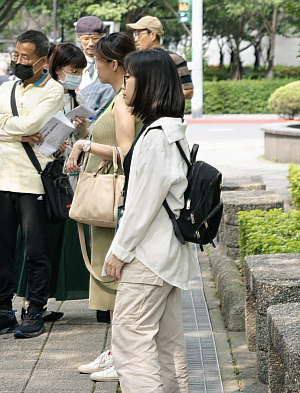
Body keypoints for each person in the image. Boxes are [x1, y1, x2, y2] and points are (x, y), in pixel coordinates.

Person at [103, 48, 199, 393]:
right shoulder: (171, 130)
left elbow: (141, 205)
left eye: (127, 77)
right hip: (168, 254)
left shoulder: (155, 137)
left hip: (148, 256)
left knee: (130, 340)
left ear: (147, 83)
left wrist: (119, 251)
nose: (124, 84)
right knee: (167, 343)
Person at [0, 30, 63, 340]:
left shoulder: (54, 91)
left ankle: (35, 310)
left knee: (36, 251)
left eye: (26, 58)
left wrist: (7, 126)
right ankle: (2, 311)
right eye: (16, 56)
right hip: (0, 179)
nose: (18, 62)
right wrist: (17, 131)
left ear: (43, 61)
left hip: (32, 182)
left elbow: (31, 125)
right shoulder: (7, 87)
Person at [65, 32, 140, 383]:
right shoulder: (118, 96)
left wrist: (87, 146)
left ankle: (122, 356)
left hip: (114, 196)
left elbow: (129, 154)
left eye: (97, 61)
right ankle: (115, 350)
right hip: (107, 196)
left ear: (114, 64)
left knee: (114, 279)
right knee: (109, 277)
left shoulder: (125, 100)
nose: (93, 65)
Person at [11, 43, 91, 310]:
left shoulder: (75, 98)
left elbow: (83, 138)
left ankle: (43, 298)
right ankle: (30, 300)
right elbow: (27, 132)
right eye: (72, 70)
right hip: (39, 174)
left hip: (64, 177)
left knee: (63, 233)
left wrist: (81, 130)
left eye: (81, 70)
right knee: (36, 237)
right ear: (57, 69)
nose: (76, 75)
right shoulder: (43, 93)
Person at [127, 16, 194, 100]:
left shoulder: (174, 59)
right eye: (135, 35)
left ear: (152, 35)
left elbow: (188, 92)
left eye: (139, 34)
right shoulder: (136, 61)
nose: (136, 39)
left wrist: (156, 98)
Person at [75, 16, 116, 116]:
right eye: (85, 39)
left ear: (102, 36)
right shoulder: (73, 62)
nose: (90, 43)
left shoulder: (111, 63)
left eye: (95, 38)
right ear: (78, 37)